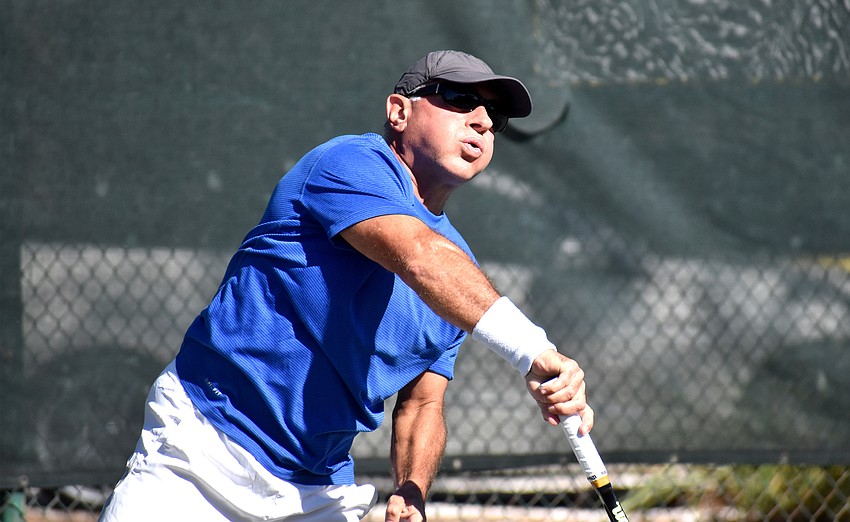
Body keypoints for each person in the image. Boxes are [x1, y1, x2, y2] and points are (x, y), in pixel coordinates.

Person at [99, 49, 594, 522]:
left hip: (318, 488)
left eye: (495, 118)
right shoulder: (347, 164)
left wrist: (410, 487)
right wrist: (533, 349)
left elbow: (422, 404)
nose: (483, 121)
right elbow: (416, 256)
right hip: (201, 447)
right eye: (461, 100)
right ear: (399, 111)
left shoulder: (459, 273)